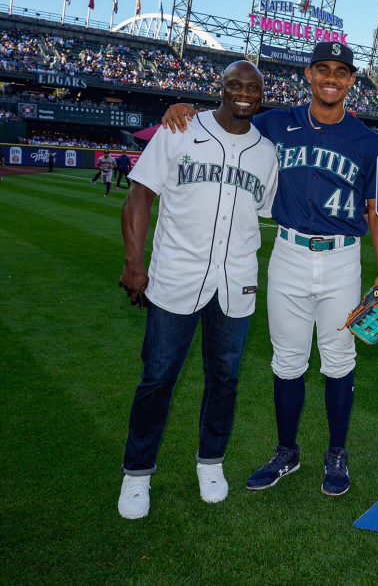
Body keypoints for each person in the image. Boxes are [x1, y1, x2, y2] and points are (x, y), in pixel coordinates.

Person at [161, 41, 378, 498]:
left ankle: (336, 453)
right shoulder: (275, 123)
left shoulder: (368, 142)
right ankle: (287, 451)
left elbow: (376, 210)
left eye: (341, 72)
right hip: (287, 253)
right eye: (322, 69)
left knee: (339, 360)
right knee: (287, 361)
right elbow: (228, 118)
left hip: (343, 258)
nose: (331, 78)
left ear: (350, 81)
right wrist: (187, 108)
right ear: (308, 75)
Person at [116, 61, 278, 520]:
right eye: (235, 85)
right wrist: (134, 262)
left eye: (252, 87)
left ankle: (211, 463)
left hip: (235, 283)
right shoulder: (181, 127)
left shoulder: (267, 152)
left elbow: (266, 211)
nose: (243, 93)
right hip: (174, 278)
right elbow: (139, 195)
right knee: (158, 378)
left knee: (224, 380)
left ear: (261, 95)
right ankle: (137, 473)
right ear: (220, 89)